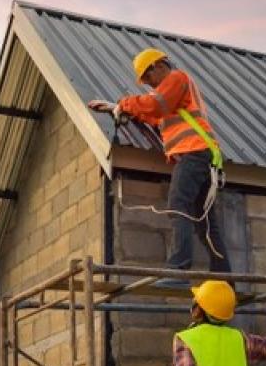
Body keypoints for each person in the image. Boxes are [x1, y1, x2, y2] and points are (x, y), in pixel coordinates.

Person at [88, 48, 230, 280]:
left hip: (194, 153)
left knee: (177, 204)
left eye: (148, 77)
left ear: (159, 66)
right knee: (205, 224)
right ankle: (225, 280)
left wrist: (124, 103)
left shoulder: (176, 78)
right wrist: (115, 106)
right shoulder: (171, 97)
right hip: (203, 156)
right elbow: (151, 115)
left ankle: (178, 270)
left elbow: (153, 105)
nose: (149, 84)